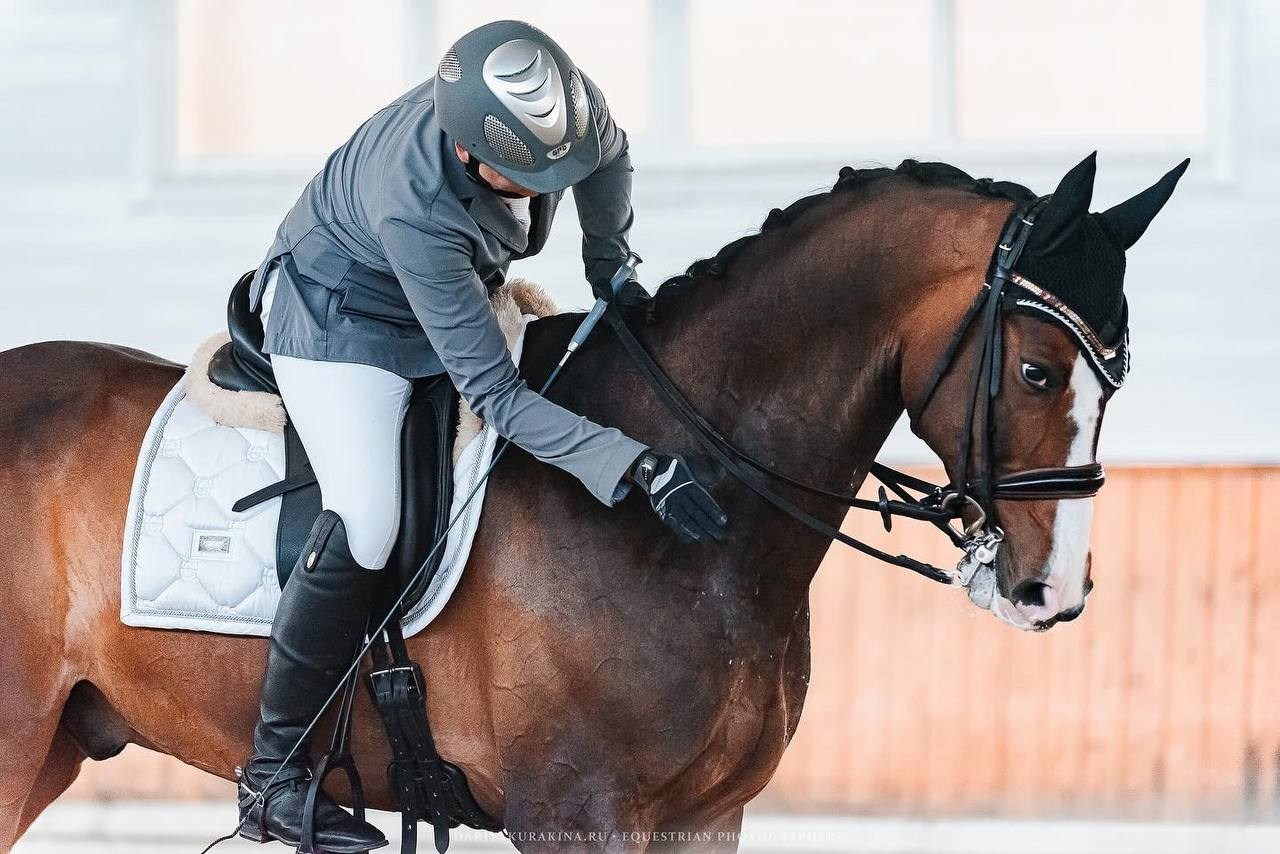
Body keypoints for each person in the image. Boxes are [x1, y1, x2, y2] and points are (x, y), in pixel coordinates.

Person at [235, 20, 728, 852]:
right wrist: (634, 463)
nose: (540, 193)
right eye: (524, 178)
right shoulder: (416, 203)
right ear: (467, 152)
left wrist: (612, 269)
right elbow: (496, 397)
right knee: (367, 517)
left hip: (452, 294)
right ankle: (273, 777)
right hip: (343, 317)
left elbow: (606, 159)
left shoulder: (562, 114)